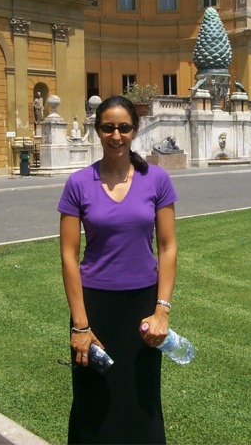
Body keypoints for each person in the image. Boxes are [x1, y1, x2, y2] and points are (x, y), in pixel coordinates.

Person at [57, 95, 178, 445]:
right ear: (97, 131)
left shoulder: (157, 180)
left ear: (134, 130)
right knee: (93, 404)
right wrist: (80, 325)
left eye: (123, 127)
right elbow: (68, 255)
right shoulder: (79, 183)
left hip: (143, 308)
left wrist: (162, 310)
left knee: (141, 400)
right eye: (108, 127)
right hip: (94, 308)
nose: (116, 135)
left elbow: (168, 247)